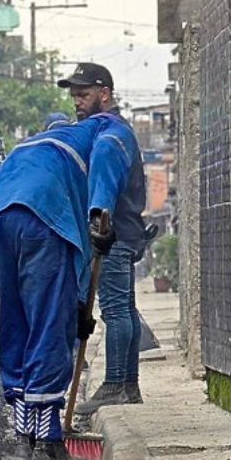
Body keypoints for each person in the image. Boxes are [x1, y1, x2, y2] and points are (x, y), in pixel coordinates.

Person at [0, 108, 137, 460]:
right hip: (41, 214)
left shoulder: (36, 147)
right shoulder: (111, 128)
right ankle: (49, 445)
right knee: (49, 327)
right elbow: (110, 154)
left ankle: (24, 442)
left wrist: (78, 309)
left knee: (17, 320)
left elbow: (76, 276)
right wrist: (103, 210)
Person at [58, 64, 148, 416]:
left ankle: (114, 385)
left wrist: (99, 227)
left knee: (114, 310)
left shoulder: (111, 136)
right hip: (126, 231)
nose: (77, 102)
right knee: (125, 309)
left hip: (114, 234)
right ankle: (129, 385)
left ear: (104, 94)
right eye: (74, 96)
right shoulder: (114, 131)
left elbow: (104, 189)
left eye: (83, 95)